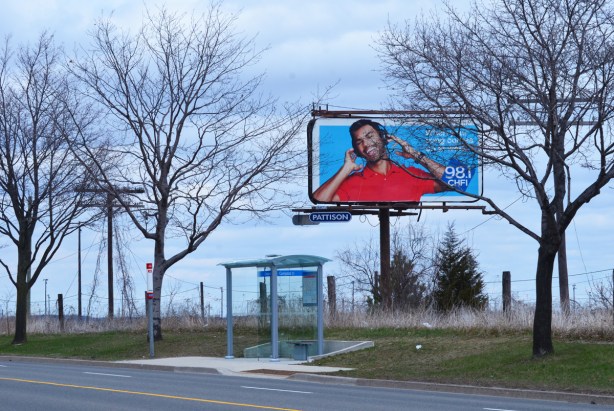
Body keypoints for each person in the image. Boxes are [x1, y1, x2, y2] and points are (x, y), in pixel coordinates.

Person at [312, 119, 450, 202]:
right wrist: (345, 169)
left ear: (383, 137)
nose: (366, 144)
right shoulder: (352, 182)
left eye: (370, 136)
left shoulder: (411, 174)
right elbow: (318, 199)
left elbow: (458, 181)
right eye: (359, 142)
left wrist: (416, 155)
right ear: (357, 150)